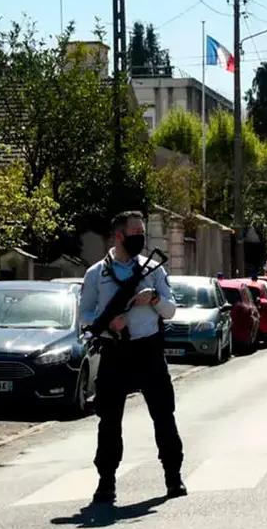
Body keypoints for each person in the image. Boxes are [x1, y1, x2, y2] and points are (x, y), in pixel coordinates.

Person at [79, 210, 187, 504]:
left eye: (142, 231)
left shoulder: (153, 269)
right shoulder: (96, 273)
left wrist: (152, 298)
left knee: (164, 415)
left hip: (149, 349)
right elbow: (85, 315)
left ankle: (173, 477)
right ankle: (106, 482)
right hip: (115, 351)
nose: (141, 236)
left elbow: (171, 309)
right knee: (109, 420)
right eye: (135, 232)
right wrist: (109, 323)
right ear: (118, 236)